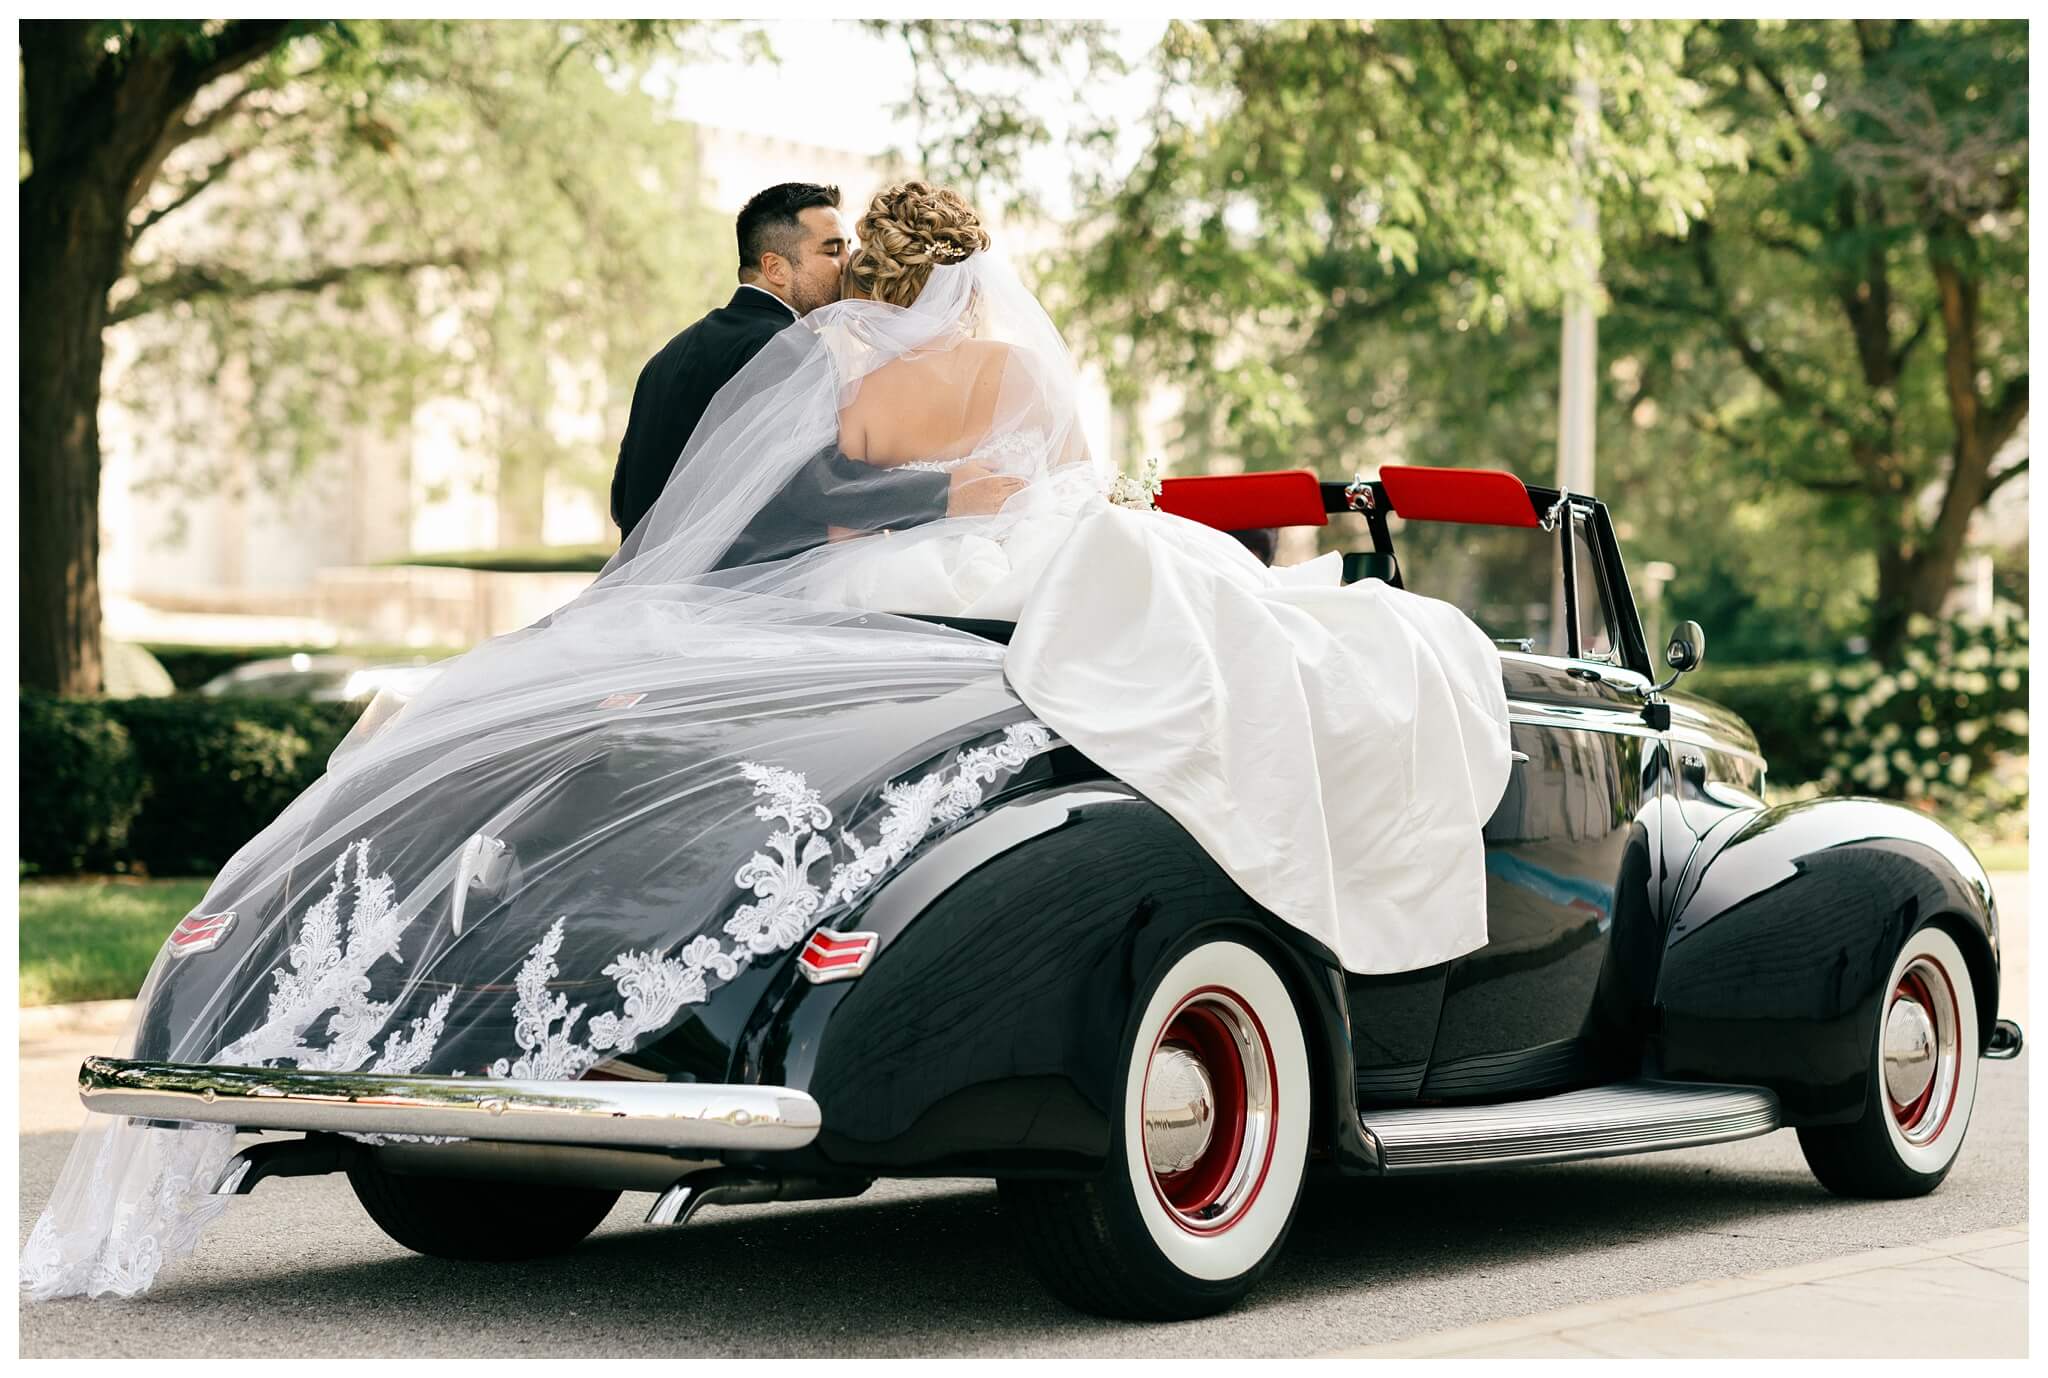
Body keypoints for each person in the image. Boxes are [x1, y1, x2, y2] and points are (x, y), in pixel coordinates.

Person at [20, 180, 1509, 1301]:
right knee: (1261, 623)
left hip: (858, 599)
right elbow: (1032, 503)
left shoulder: (848, 378)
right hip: (992, 587)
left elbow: (845, 505)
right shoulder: (1016, 372)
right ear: (984, 276)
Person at [608, 181, 1022, 558]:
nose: (850, 265)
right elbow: (814, 484)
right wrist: (946, 493)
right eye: (832, 250)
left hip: (653, 601)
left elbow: (620, 496)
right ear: (775, 268)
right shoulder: (792, 349)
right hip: (740, 602)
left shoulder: (664, 358)